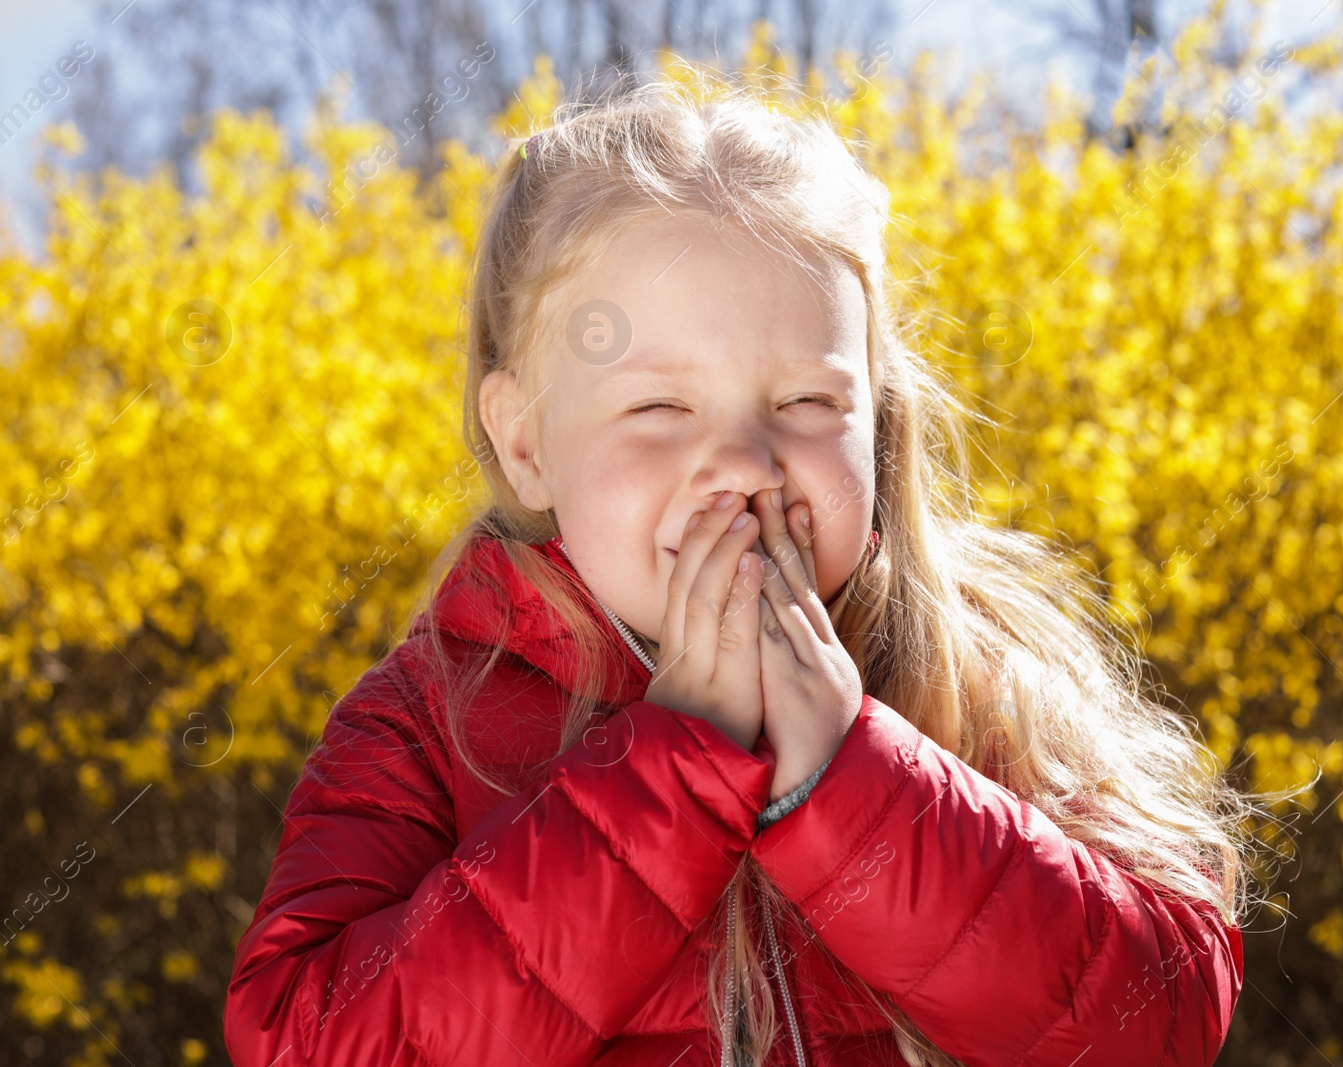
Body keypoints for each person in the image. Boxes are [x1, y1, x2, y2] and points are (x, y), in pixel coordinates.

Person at [224, 73, 1257, 1067]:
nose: (743, 465)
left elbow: (1160, 1011)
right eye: (659, 409)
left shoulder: (976, 670)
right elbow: (307, 1040)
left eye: (807, 404)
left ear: (878, 421)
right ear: (526, 439)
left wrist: (850, 778)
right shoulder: (429, 714)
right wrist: (670, 774)